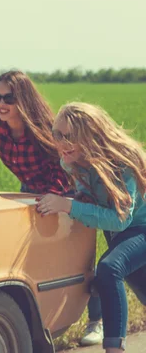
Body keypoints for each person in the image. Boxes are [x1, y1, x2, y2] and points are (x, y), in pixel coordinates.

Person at [37, 102, 146, 352]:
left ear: (89, 136)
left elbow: (120, 218)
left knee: (109, 270)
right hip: (122, 232)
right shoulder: (72, 161)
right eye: (57, 134)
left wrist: (67, 206)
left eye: (69, 136)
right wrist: (74, 199)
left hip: (140, 227)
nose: (60, 143)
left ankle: (113, 348)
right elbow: (88, 196)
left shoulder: (123, 163)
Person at [0, 70, 70, 195]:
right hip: (28, 190)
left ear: (24, 99)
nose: (1, 104)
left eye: (9, 98)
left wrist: (50, 198)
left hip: (62, 193)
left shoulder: (43, 126)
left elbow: (63, 167)